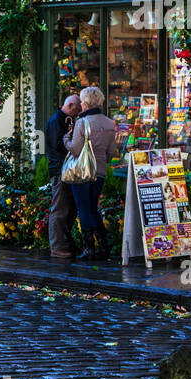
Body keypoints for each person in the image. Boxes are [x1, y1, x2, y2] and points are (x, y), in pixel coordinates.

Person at [64, 86, 119, 259]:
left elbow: (75, 150)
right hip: (100, 171)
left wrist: (66, 139)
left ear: (86, 103)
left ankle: (89, 249)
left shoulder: (82, 122)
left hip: (82, 172)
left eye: (81, 101)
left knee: (84, 209)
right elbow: (112, 152)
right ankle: (103, 245)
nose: (80, 104)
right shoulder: (109, 123)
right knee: (93, 208)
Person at [45, 94, 82, 258]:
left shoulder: (65, 119)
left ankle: (65, 243)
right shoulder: (56, 121)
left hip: (67, 169)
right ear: (71, 106)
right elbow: (58, 145)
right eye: (78, 109)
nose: (79, 112)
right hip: (60, 169)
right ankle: (57, 245)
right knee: (60, 208)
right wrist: (72, 136)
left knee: (70, 208)